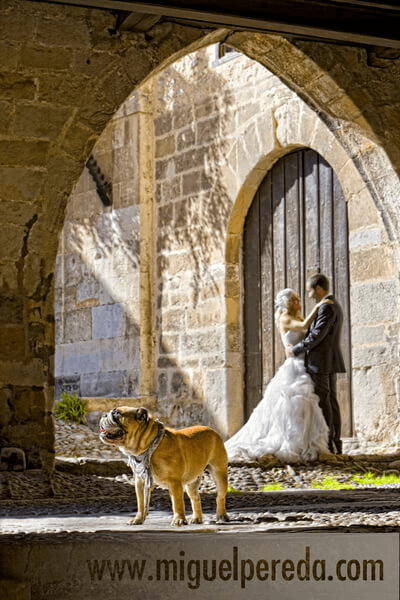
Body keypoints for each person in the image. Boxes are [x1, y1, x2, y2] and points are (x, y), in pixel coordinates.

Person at [225, 288, 330, 463]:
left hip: (304, 363)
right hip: (294, 367)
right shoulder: (285, 318)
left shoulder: (298, 317)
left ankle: (304, 444)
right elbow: (304, 328)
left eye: (297, 298)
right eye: (294, 300)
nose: (298, 302)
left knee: (306, 406)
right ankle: (291, 443)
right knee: (292, 404)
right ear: (287, 303)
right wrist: (319, 306)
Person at [291, 274, 346, 455]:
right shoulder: (330, 305)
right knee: (330, 401)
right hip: (326, 361)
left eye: (309, 291)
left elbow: (316, 336)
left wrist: (296, 349)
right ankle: (334, 443)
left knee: (325, 402)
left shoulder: (327, 308)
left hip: (321, 362)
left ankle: (329, 444)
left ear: (319, 289)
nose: (308, 295)